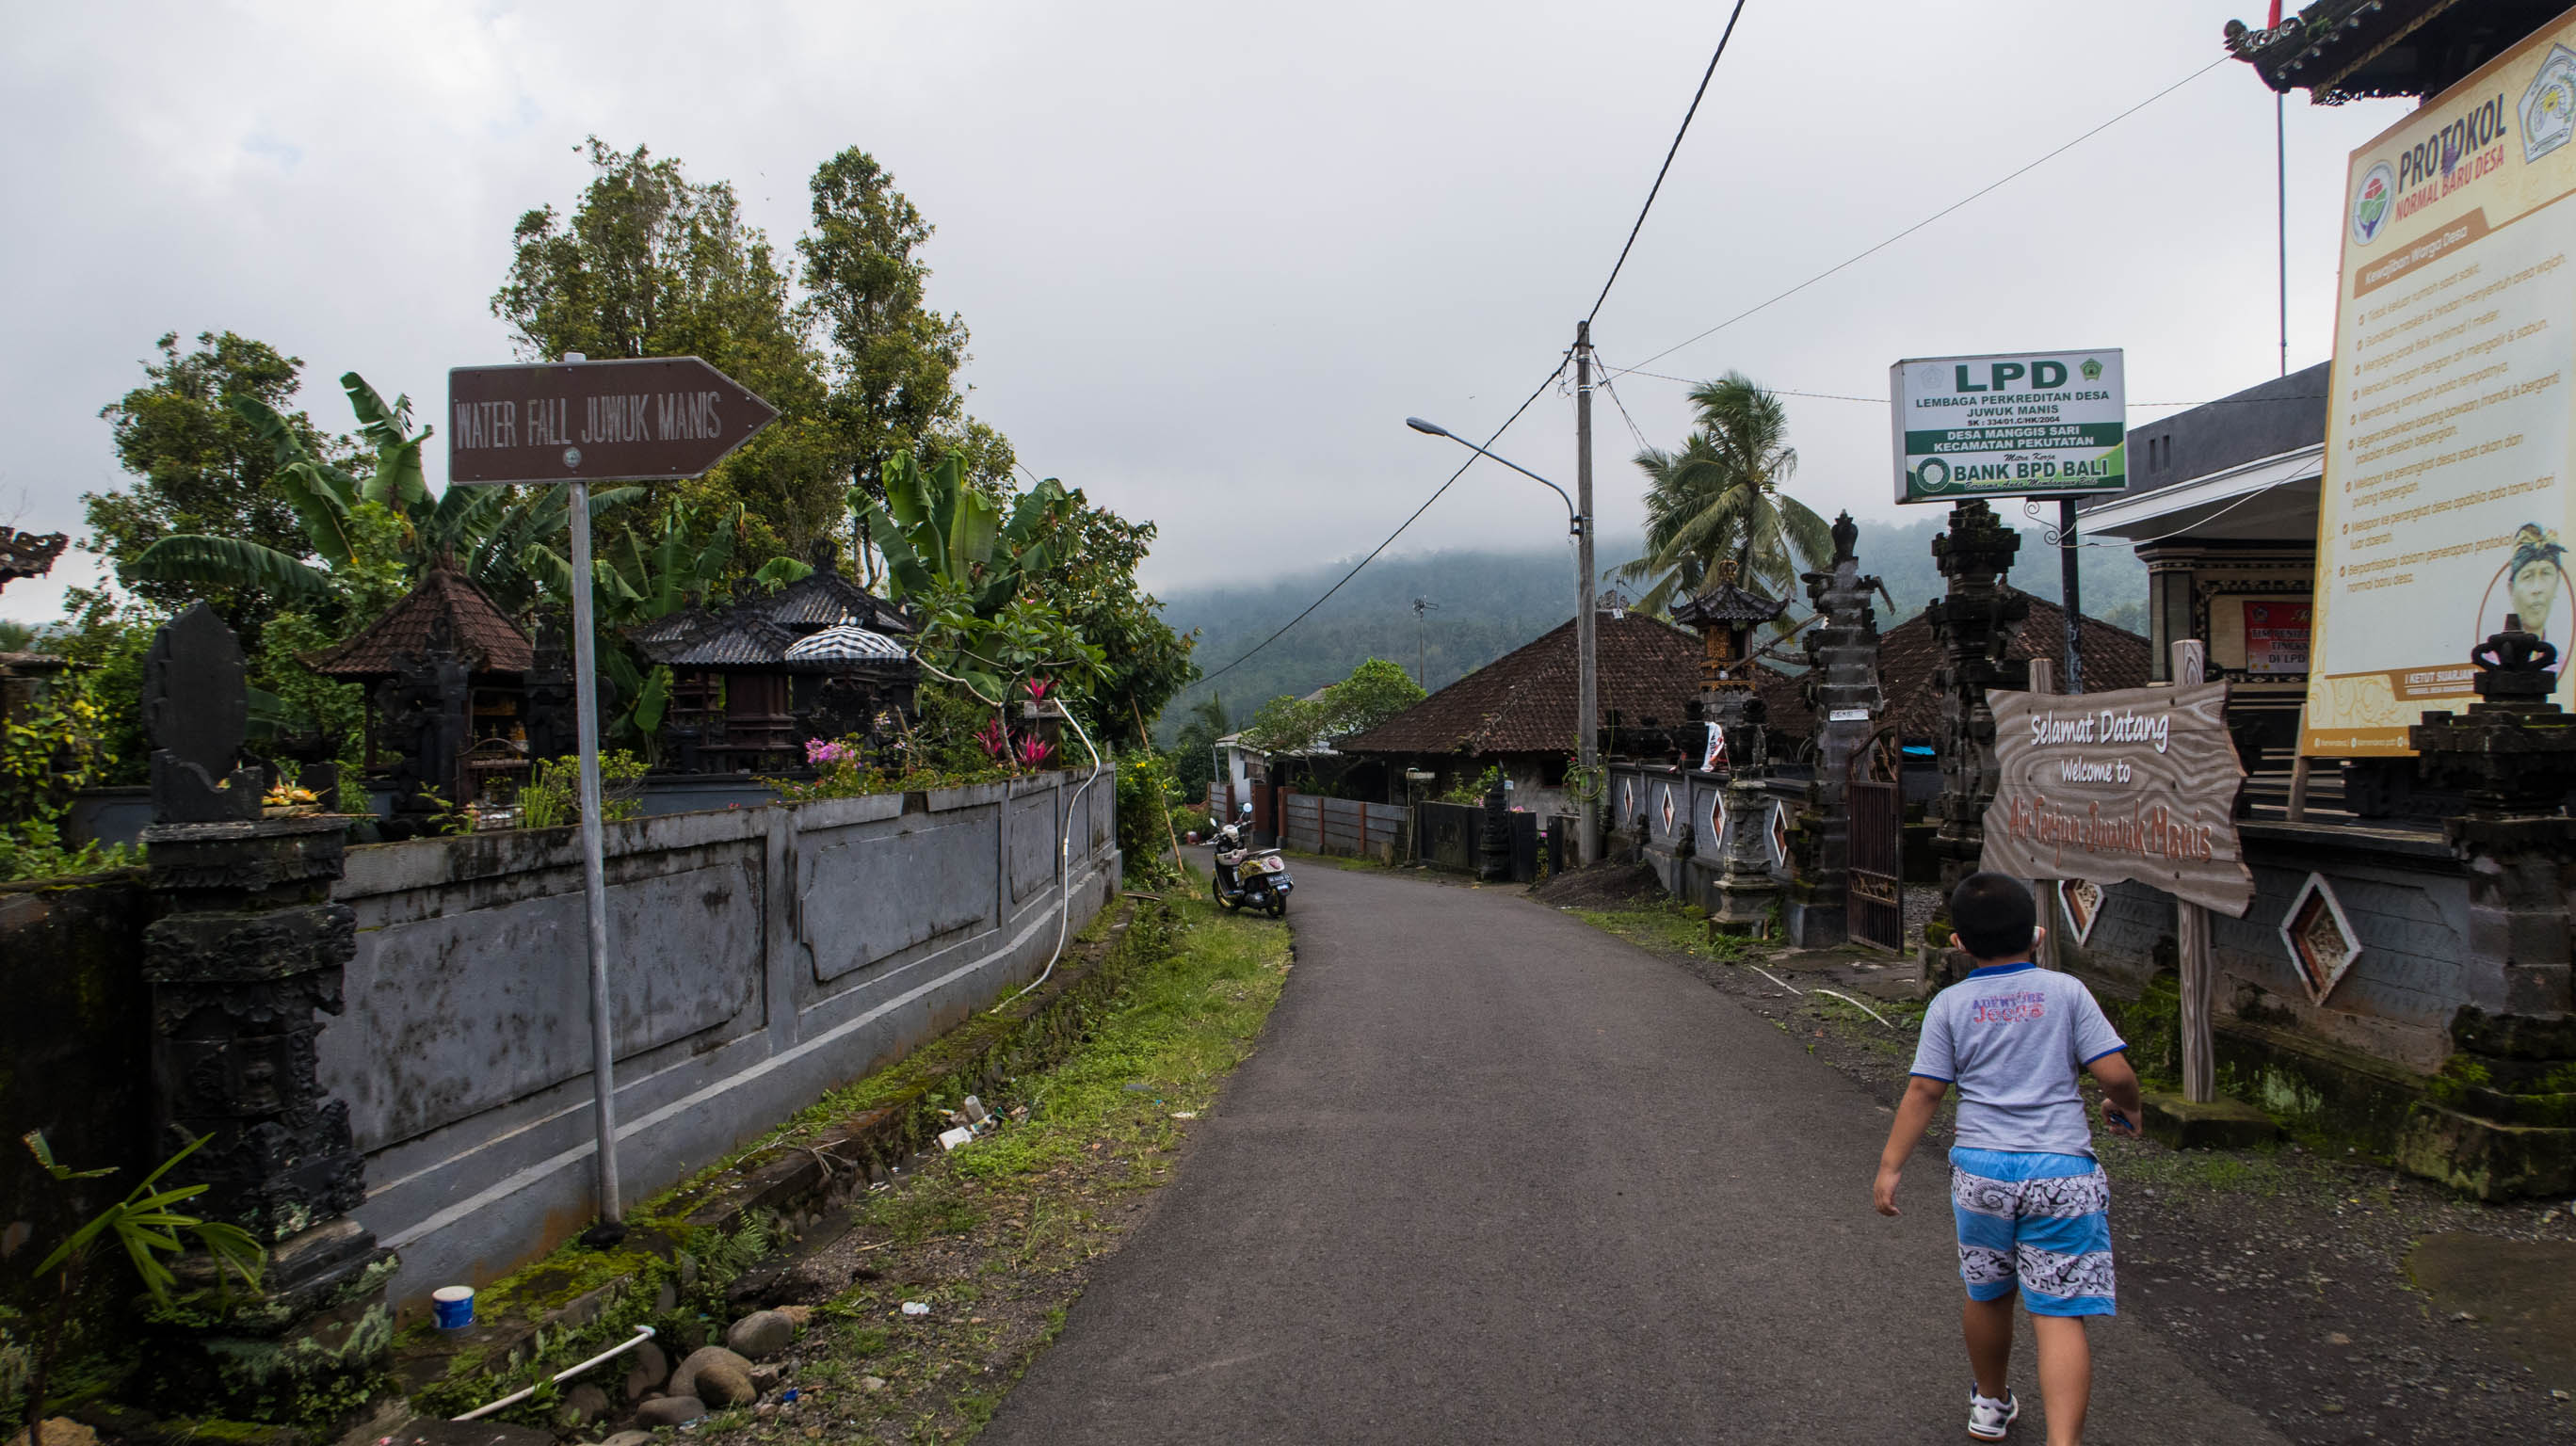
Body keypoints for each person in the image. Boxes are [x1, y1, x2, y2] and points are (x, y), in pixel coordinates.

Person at [1875, 874, 2144, 1444]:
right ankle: (2063, 1441)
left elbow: (1924, 1091)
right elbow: (2115, 1073)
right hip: (2061, 1171)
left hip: (1983, 1172)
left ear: (1960, 945)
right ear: (2038, 936)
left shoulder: (1950, 1003)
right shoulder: (2066, 991)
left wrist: (1891, 1165)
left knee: (1989, 1291)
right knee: (2059, 1311)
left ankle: (1991, 1404)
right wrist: (2128, 1107)